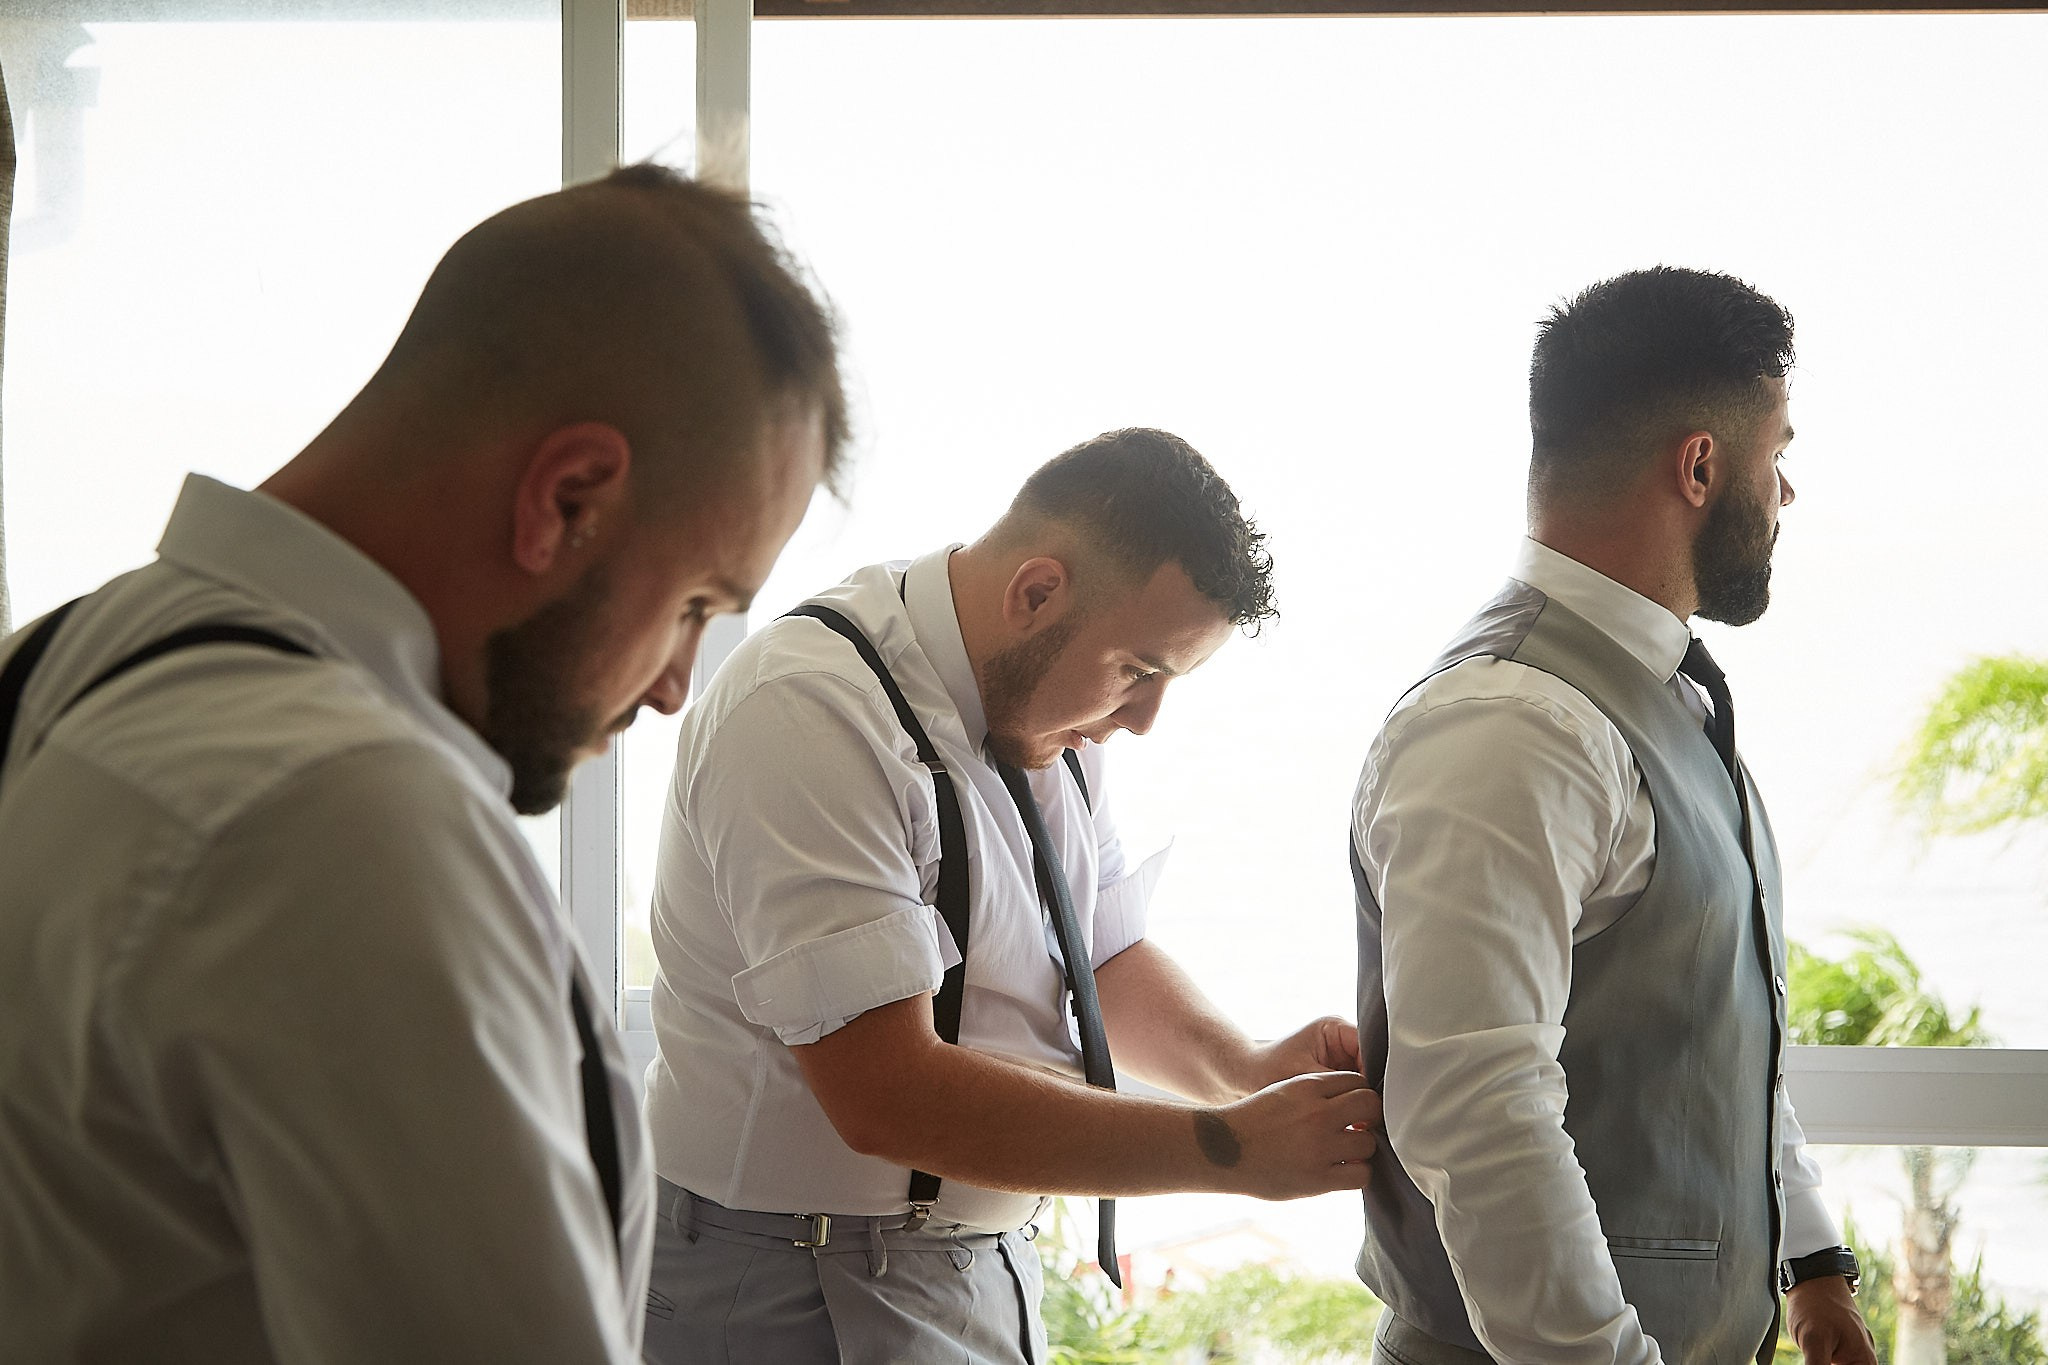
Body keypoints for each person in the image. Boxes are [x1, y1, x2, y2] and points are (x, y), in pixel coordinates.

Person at [0, 164, 846, 1363]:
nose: (673, 686)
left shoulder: (55, 660)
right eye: (696, 604)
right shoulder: (340, 822)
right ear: (567, 498)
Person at [641, 427, 1381, 1364]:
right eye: (1139, 670)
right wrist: (1231, 1148)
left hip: (981, 1262)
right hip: (793, 1279)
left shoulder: (1054, 718)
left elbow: (1103, 953)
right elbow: (887, 1094)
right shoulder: (805, 709)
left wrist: (1248, 1068)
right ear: (1036, 593)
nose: (1144, 720)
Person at [1350, 267, 1876, 1365]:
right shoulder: (1511, 722)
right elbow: (1479, 1118)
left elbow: (1715, 1024)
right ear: (1700, 465)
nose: (1785, 494)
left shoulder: (1655, 693)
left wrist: (1810, 1257)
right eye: (1776, 455)